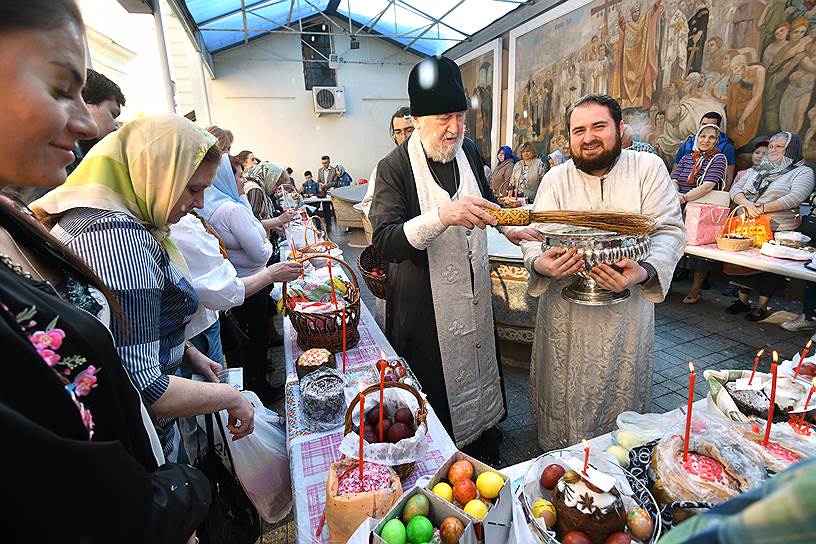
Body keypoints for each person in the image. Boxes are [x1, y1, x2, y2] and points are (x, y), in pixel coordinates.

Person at [0, 2, 211, 540]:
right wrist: (187, 488)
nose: (82, 120)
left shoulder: (36, 219)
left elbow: (118, 331)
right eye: (59, 89)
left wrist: (185, 351)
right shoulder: (121, 237)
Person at [31, 114, 256, 461]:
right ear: (156, 175)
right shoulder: (116, 238)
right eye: (193, 189)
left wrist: (191, 354)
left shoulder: (120, 222)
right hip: (143, 438)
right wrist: (232, 397)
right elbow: (147, 387)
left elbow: (131, 330)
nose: (198, 203)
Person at [369, 56, 542, 463]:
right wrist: (442, 216)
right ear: (418, 119)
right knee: (433, 388)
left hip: (473, 295)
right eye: (445, 118)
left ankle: (482, 438)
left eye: (461, 117)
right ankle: (439, 457)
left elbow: (487, 204)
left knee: (481, 364)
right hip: (424, 306)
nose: (455, 128)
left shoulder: (467, 151)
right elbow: (385, 240)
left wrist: (508, 227)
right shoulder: (393, 168)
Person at [521, 94, 685, 450]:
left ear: (620, 129)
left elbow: (670, 230)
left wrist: (643, 270)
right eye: (578, 130)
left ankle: (620, 456)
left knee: (619, 407)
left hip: (627, 315)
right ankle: (558, 455)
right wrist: (538, 262)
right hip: (564, 314)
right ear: (569, 137)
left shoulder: (647, 169)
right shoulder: (555, 178)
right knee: (563, 394)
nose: (588, 137)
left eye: (599, 126)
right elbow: (535, 233)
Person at [200, 154, 300, 403]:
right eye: (238, 174)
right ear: (225, 177)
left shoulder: (219, 205)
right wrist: (266, 243)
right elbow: (259, 251)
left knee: (244, 344)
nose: (244, 179)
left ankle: (251, 388)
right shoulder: (232, 210)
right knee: (255, 340)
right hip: (252, 283)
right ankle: (260, 391)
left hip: (240, 280)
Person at [1, 67, 126, 205]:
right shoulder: (57, 152)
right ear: (87, 104)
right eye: (113, 114)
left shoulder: (80, 154)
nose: (116, 126)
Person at [726, 132, 815, 321]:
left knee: (767, 269)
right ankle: (742, 300)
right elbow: (735, 189)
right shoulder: (757, 169)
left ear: (791, 149)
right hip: (747, 225)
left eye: (779, 146)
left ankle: (761, 306)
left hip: (779, 229)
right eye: (772, 146)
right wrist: (748, 205)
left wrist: (763, 208)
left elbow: (795, 197)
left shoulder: (803, 171)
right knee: (744, 264)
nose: (773, 150)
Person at [671, 124, 728, 304]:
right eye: (703, 136)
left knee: (700, 250)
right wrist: (677, 195)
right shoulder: (688, 157)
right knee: (673, 244)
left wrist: (685, 197)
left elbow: (708, 185)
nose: (706, 140)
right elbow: (674, 178)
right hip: (680, 204)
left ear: (716, 140)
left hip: (702, 207)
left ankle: (696, 290)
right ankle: (667, 284)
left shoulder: (719, 158)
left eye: (711, 137)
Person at [673, 112, 736, 187]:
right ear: (699, 125)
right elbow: (674, 173)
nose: (706, 128)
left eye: (711, 126)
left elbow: (728, 176)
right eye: (704, 124)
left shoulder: (726, 147)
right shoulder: (686, 145)